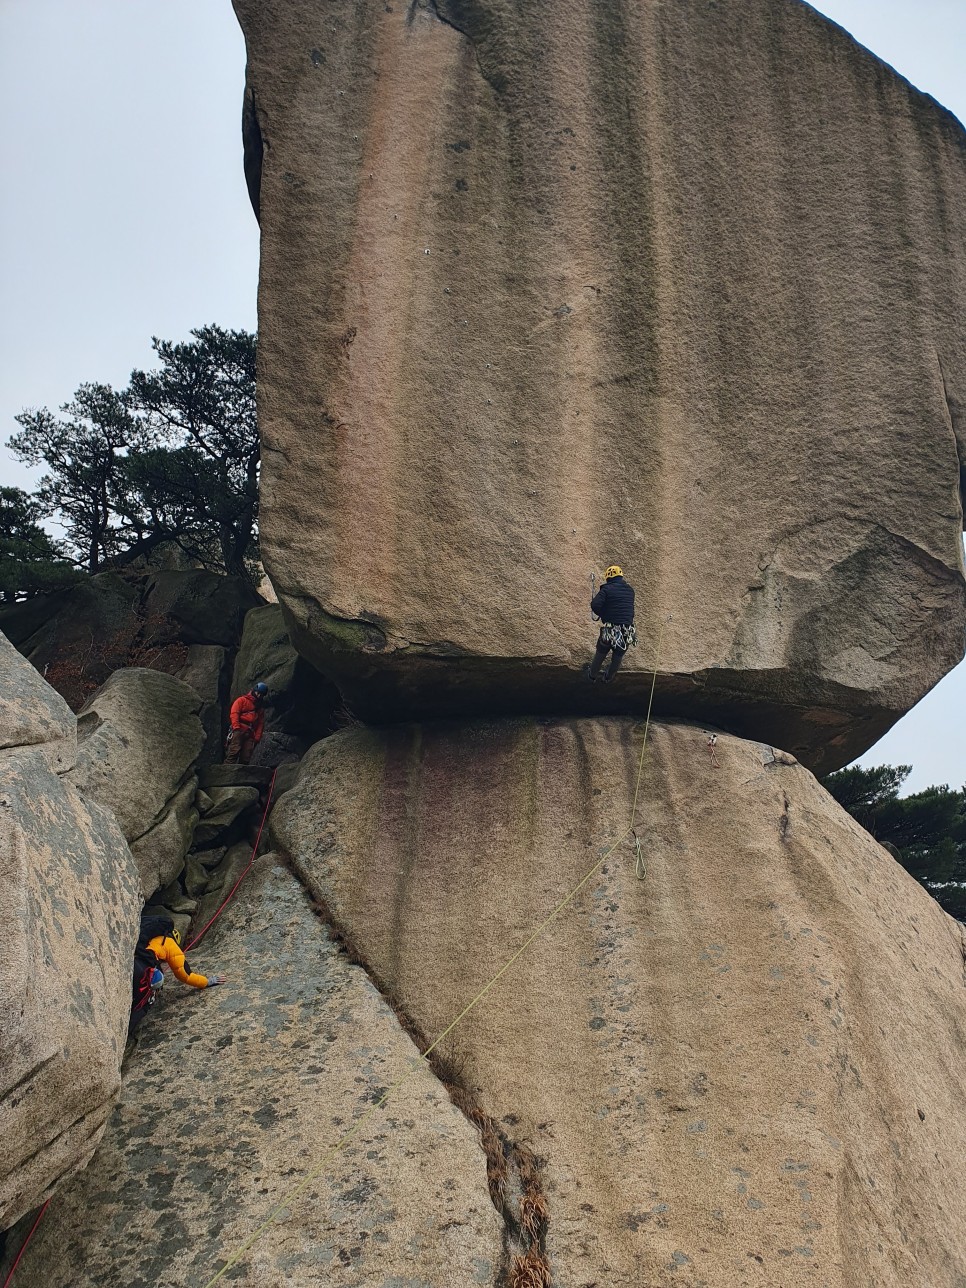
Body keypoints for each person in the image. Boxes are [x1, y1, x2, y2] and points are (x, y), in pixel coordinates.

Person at [129, 914, 224, 1034]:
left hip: (130, 960)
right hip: (141, 969)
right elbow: (184, 975)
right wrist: (207, 982)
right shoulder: (170, 944)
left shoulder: (144, 934)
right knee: (145, 1003)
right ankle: (124, 1032)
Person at [588, 564, 637, 682]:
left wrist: (604, 614)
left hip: (610, 629)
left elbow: (595, 605)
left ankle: (592, 676)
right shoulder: (630, 591)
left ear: (608, 577)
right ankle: (608, 677)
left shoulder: (607, 589)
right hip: (627, 630)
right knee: (618, 655)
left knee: (601, 651)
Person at [225, 681, 268, 764]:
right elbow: (234, 714)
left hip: (250, 733)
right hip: (239, 729)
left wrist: (257, 738)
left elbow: (260, 724)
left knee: (246, 756)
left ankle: (241, 775)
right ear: (254, 691)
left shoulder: (260, 708)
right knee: (234, 752)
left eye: (261, 695)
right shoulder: (241, 700)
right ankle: (225, 772)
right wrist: (236, 728)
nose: (259, 696)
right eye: (258, 693)